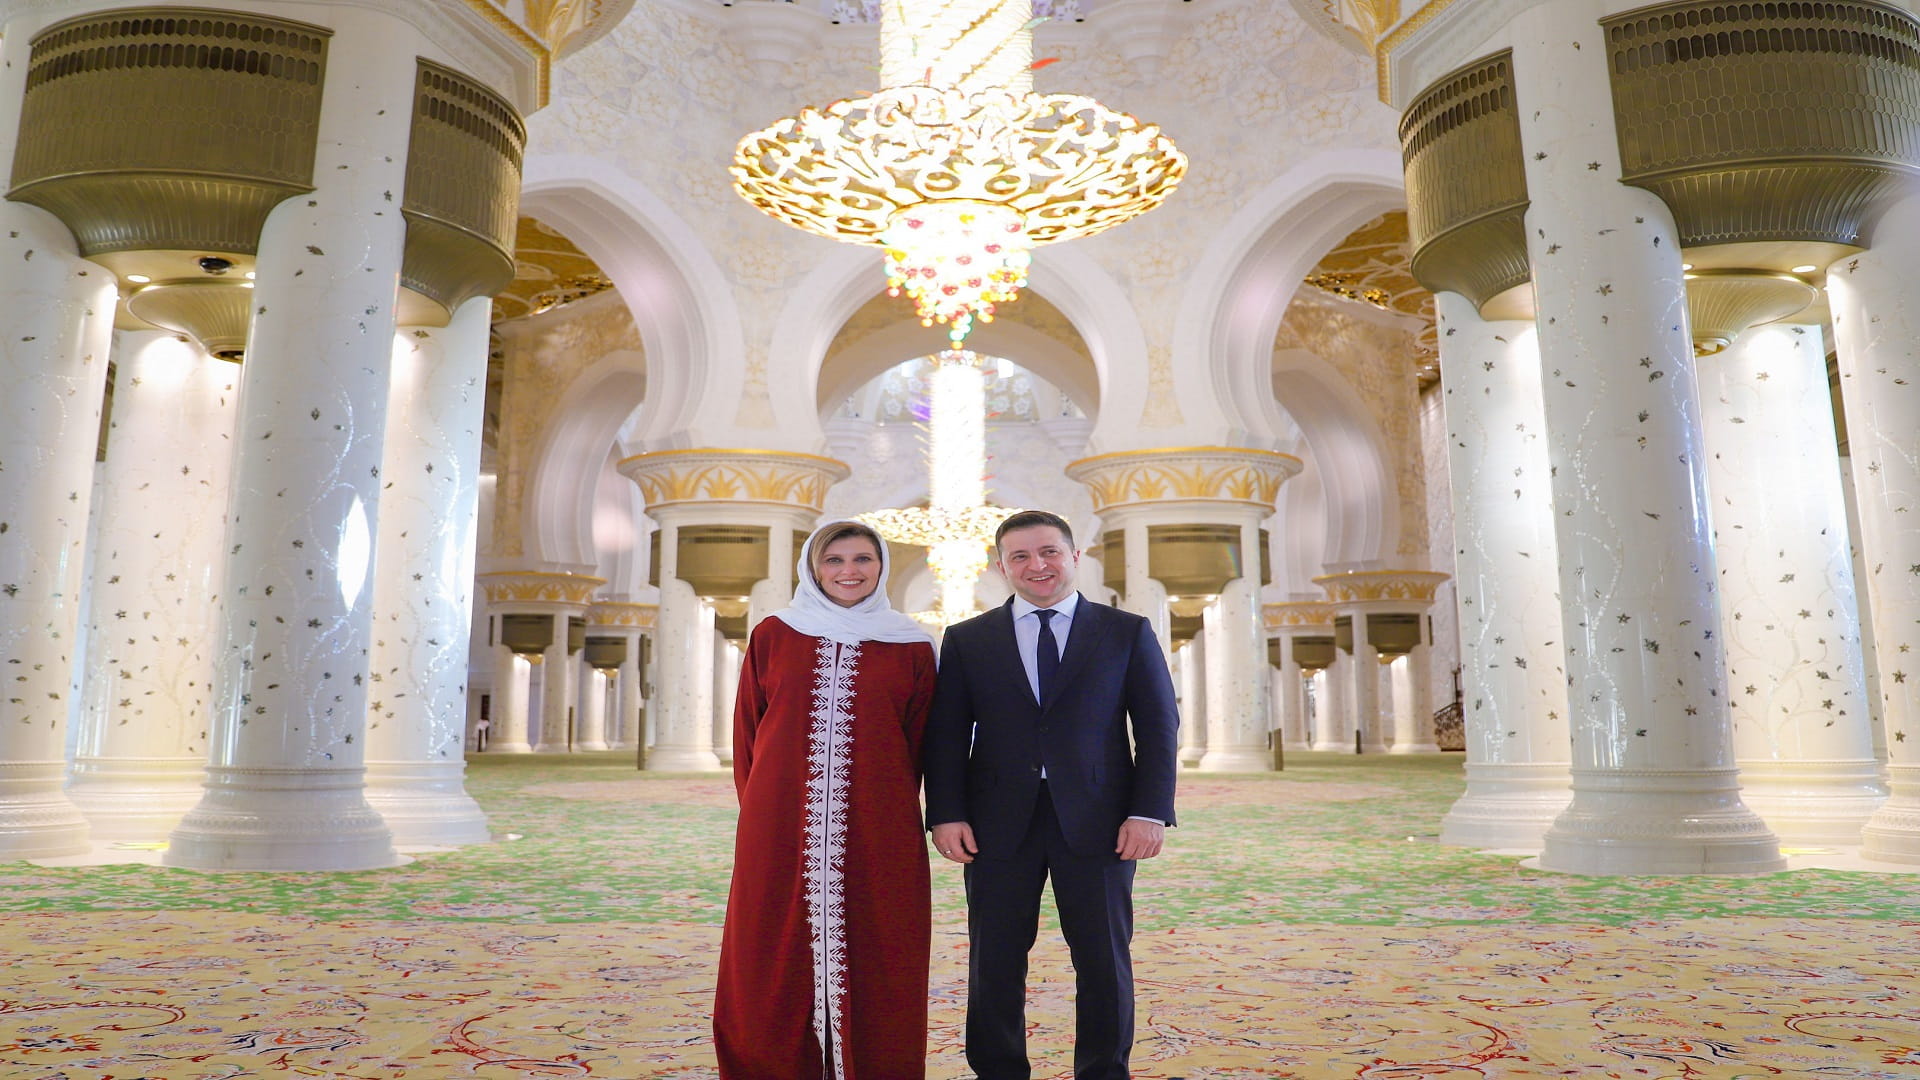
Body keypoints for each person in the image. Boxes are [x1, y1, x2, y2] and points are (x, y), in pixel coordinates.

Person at [923, 509, 1179, 1080]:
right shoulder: (968, 639)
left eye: (1048, 552)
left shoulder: (1126, 631)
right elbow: (945, 734)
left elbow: (1158, 728)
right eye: (1020, 556)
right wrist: (946, 814)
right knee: (995, 959)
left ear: (1073, 557)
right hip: (996, 823)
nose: (1036, 565)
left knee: (1103, 959)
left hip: (1100, 820)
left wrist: (1148, 811)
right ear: (1001, 567)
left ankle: (1104, 1071)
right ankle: (998, 1069)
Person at [713, 520, 939, 1080]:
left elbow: (924, 741)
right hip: (779, 820)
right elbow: (748, 731)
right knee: (767, 942)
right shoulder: (775, 633)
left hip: (878, 822)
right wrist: (763, 813)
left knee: (881, 944)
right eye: (834, 560)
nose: (849, 571)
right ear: (813, 567)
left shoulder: (910, 644)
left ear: (882, 566)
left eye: (863, 559)